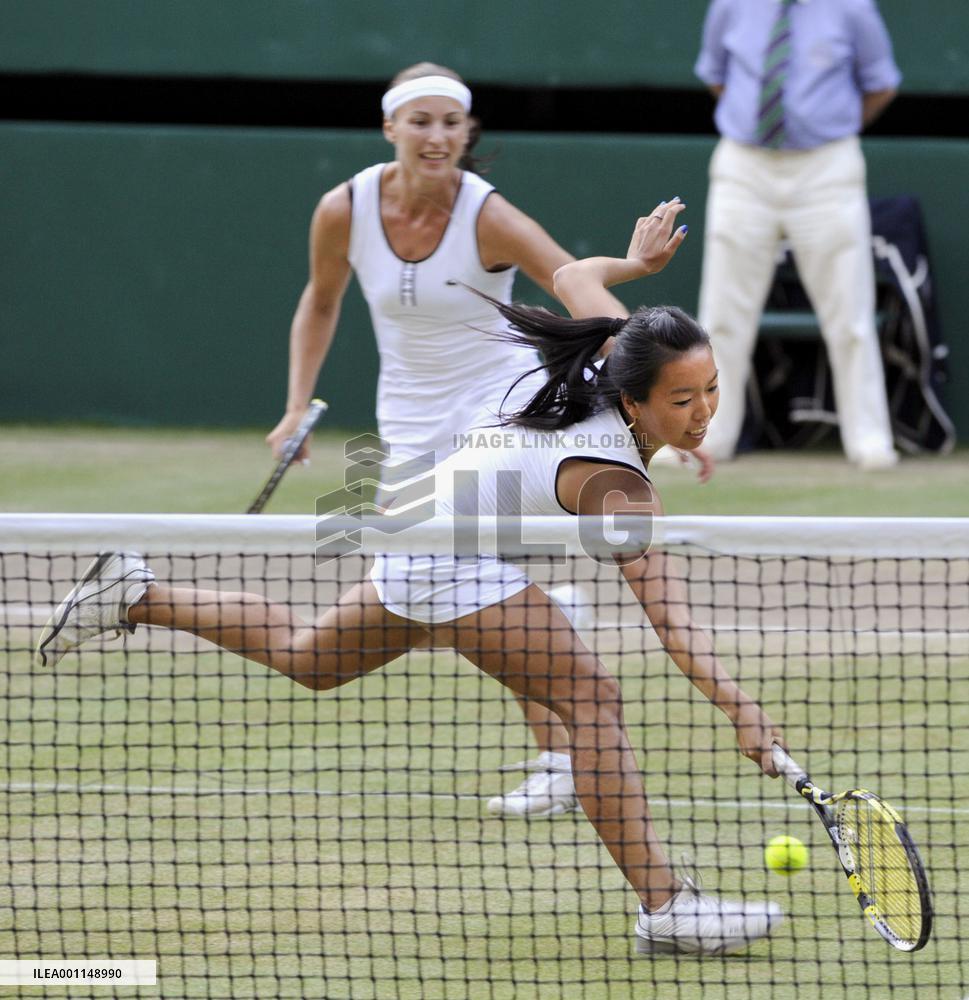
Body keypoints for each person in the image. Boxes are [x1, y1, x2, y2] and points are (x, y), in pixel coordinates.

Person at [36, 202, 787, 956]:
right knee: (590, 695)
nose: (701, 413)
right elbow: (672, 626)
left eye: (710, 391)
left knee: (309, 659)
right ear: (633, 398)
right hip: (444, 552)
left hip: (426, 519)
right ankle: (666, 909)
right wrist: (739, 708)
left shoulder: (620, 348)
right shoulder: (618, 491)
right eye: (681, 400)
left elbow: (571, 273)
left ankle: (136, 594)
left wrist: (633, 267)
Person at [265, 61, 709, 819]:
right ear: (390, 128)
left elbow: (570, 280)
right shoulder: (342, 210)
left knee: (466, 586)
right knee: (414, 591)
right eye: (420, 121)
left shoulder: (487, 216)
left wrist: (655, 398)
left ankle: (559, 755)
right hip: (405, 416)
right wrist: (294, 402)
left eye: (450, 123)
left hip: (495, 407)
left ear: (466, 133)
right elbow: (320, 300)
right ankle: (557, 619)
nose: (436, 137)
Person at [694, 0, 901, 468]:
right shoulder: (730, 5)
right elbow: (716, 75)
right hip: (745, 163)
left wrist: (828, 123)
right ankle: (707, 438)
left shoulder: (853, 9)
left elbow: (880, 84)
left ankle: (870, 441)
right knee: (723, 314)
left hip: (826, 164)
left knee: (849, 313)